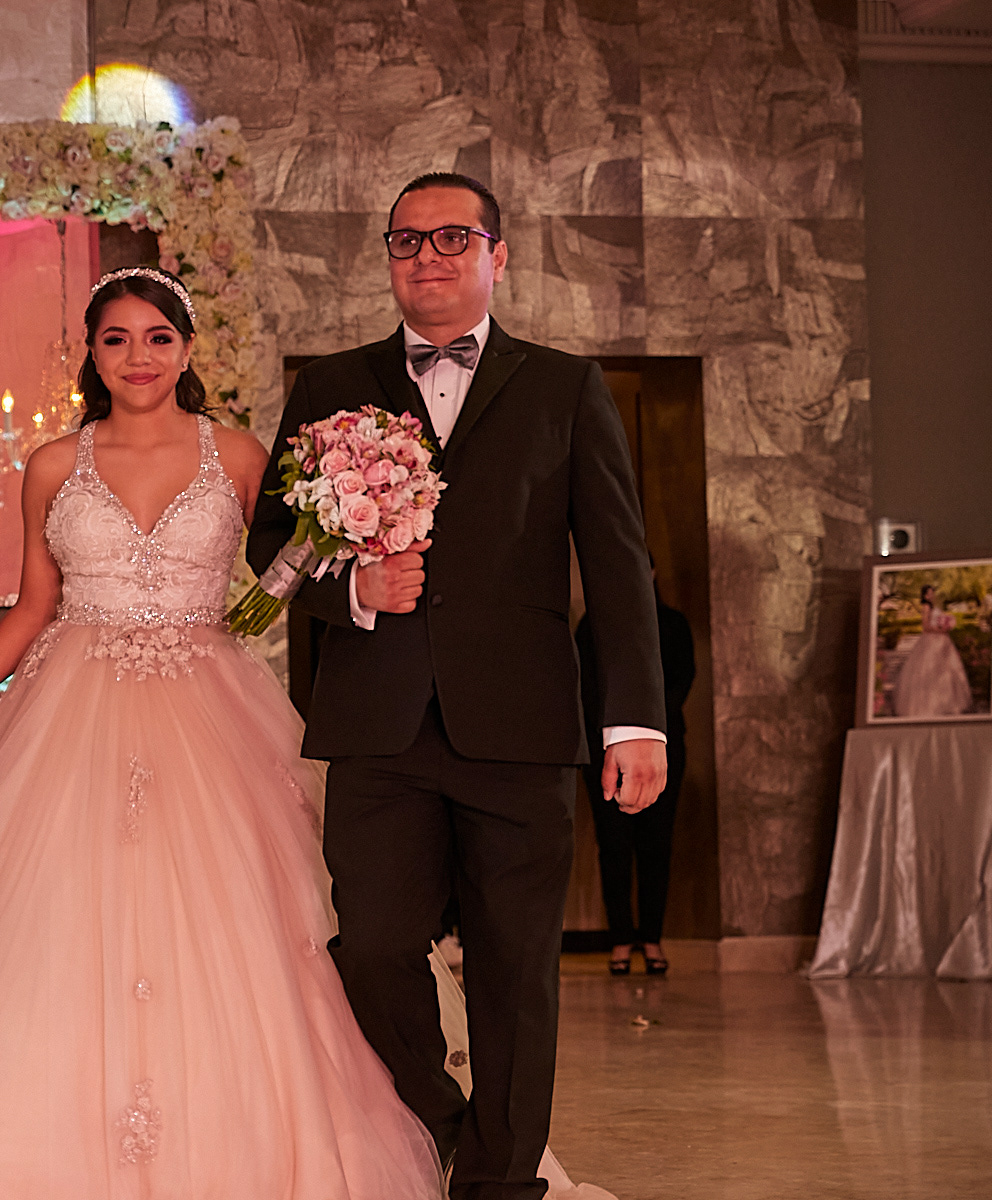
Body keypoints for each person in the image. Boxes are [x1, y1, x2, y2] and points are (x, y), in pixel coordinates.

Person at [0, 269, 443, 1198]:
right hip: (71, 718)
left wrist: (356, 553)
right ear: (91, 353)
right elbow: (34, 607)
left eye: (158, 338)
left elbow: (287, 573)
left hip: (214, 712)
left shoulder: (238, 455)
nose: (138, 358)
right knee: (52, 922)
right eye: (116, 339)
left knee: (245, 925)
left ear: (187, 349)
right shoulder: (54, 464)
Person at [248, 173, 667, 1200]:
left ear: (497, 255)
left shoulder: (565, 387)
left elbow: (618, 566)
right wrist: (355, 588)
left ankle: (501, 1186)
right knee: (372, 948)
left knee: (515, 970)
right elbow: (273, 548)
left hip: (521, 727)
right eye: (406, 240)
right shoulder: (330, 386)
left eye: (451, 238)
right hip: (378, 726)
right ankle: (445, 1125)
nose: (426, 257)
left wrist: (635, 722)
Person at [577, 584, 696, 976]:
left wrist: (646, 726)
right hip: (602, 747)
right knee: (613, 844)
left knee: (656, 844)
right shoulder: (591, 624)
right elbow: (583, 684)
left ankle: (652, 937)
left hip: (661, 742)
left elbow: (683, 677)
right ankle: (621, 939)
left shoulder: (672, 624)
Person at [893, 585, 972, 717]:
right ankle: (930, 705)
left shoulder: (933, 606)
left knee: (945, 670)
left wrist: (946, 624)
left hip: (942, 640)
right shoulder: (926, 606)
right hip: (932, 640)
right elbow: (925, 626)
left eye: (932, 593)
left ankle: (946, 702)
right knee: (930, 669)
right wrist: (940, 630)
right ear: (925, 595)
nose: (932, 595)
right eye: (929, 593)